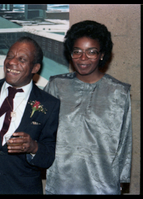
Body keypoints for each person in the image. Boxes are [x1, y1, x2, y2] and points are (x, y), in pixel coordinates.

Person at [44, 20, 132, 194]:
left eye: (91, 52)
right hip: (62, 180)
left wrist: (121, 178)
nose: (83, 58)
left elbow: (125, 140)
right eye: (77, 52)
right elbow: (38, 125)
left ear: (101, 55)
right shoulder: (56, 86)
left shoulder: (119, 92)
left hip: (103, 181)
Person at [0, 36, 60, 194]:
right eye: (10, 56)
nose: (12, 62)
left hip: (22, 188)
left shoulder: (49, 104)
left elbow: (48, 156)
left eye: (22, 59)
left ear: (35, 68)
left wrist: (33, 147)